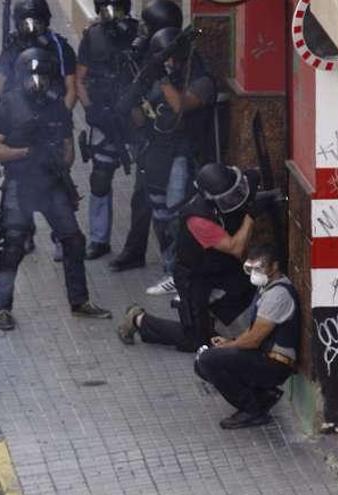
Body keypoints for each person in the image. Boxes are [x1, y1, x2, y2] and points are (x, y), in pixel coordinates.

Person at [0, 47, 111, 331]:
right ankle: (3, 308)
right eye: (32, 77)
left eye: (42, 77)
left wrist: (58, 164)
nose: (37, 82)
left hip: (52, 184)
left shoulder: (56, 106)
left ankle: (79, 302)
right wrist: (26, 152)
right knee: (14, 245)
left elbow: (68, 149)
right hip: (20, 183)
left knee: (73, 240)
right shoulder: (9, 105)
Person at [117, 163, 264, 351]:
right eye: (228, 198)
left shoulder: (236, 185)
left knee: (250, 284)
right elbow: (235, 248)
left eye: (236, 192)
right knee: (196, 341)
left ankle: (207, 319)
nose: (235, 199)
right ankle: (139, 319)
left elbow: (254, 174)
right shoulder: (198, 219)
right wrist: (251, 216)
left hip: (219, 263)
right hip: (193, 274)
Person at [118, 26, 217, 296]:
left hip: (183, 153)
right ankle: (170, 267)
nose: (170, 64)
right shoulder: (161, 76)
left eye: (171, 59)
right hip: (156, 152)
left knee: (177, 212)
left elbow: (181, 106)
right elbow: (141, 115)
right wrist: (134, 99)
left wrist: (160, 77)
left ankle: (180, 272)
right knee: (160, 213)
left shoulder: (200, 79)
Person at [0, 0, 78, 259]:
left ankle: (62, 237)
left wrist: (59, 119)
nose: (31, 27)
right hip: (21, 125)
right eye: (26, 22)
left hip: (51, 124)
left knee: (58, 184)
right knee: (15, 185)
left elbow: (70, 87)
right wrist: (6, 63)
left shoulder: (59, 46)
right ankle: (22, 234)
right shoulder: (13, 48)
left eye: (36, 21)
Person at [108, 0, 183, 273]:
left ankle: (174, 264)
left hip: (176, 146)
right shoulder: (144, 54)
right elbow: (132, 96)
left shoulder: (179, 59)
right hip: (150, 139)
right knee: (143, 198)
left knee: (169, 208)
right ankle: (136, 250)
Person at [195, 244, 301, 429]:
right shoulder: (267, 288)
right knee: (203, 362)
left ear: (274, 267)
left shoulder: (278, 295)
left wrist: (226, 347)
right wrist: (231, 342)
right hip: (263, 355)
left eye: (258, 269)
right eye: (250, 269)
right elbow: (255, 331)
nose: (254, 273)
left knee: (208, 361)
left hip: (275, 364)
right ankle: (262, 396)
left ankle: (252, 409)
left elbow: (253, 340)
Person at [76, 0, 139, 260]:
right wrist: (91, 110)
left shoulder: (139, 32)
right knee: (100, 178)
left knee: (149, 183)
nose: (110, 14)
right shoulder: (92, 36)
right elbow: (80, 79)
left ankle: (141, 245)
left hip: (136, 118)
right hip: (104, 117)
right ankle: (99, 239)